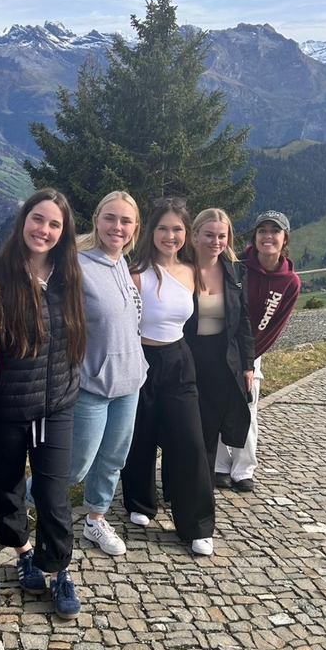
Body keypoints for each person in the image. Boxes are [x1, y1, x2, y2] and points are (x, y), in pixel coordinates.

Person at [0, 189, 86, 619]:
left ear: (64, 233)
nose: (43, 230)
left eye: (54, 224)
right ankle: (23, 551)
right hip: (7, 405)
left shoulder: (69, 276)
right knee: (8, 488)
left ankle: (59, 566)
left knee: (53, 494)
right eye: (37, 219)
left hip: (57, 404)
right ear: (22, 220)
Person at [120, 197, 216, 556]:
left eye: (177, 229)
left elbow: (206, 323)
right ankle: (140, 503)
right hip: (139, 357)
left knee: (189, 440)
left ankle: (196, 524)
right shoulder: (135, 272)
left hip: (178, 359)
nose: (170, 235)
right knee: (139, 435)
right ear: (151, 231)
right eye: (163, 228)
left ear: (186, 233)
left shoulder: (194, 272)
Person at [69, 191, 148, 556]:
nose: (117, 227)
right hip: (93, 383)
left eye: (125, 221)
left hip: (129, 381)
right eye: (111, 218)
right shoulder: (77, 263)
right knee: (75, 465)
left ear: (134, 228)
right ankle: (19, 500)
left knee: (114, 458)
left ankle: (95, 519)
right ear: (97, 219)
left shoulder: (123, 263)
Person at [214, 209, 301, 491]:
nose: (268, 236)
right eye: (262, 230)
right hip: (221, 346)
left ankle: (244, 469)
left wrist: (248, 361)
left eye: (274, 231)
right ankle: (219, 466)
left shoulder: (290, 282)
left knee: (248, 408)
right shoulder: (236, 265)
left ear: (284, 238)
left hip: (253, 354)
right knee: (216, 405)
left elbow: (274, 326)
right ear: (254, 236)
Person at [184, 207, 255, 476]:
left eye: (222, 236)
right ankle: (174, 484)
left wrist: (248, 365)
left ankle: (202, 485)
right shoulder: (180, 269)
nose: (216, 242)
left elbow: (244, 321)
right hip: (186, 356)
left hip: (222, 359)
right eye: (209, 235)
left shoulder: (235, 273)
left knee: (210, 427)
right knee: (184, 425)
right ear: (194, 235)